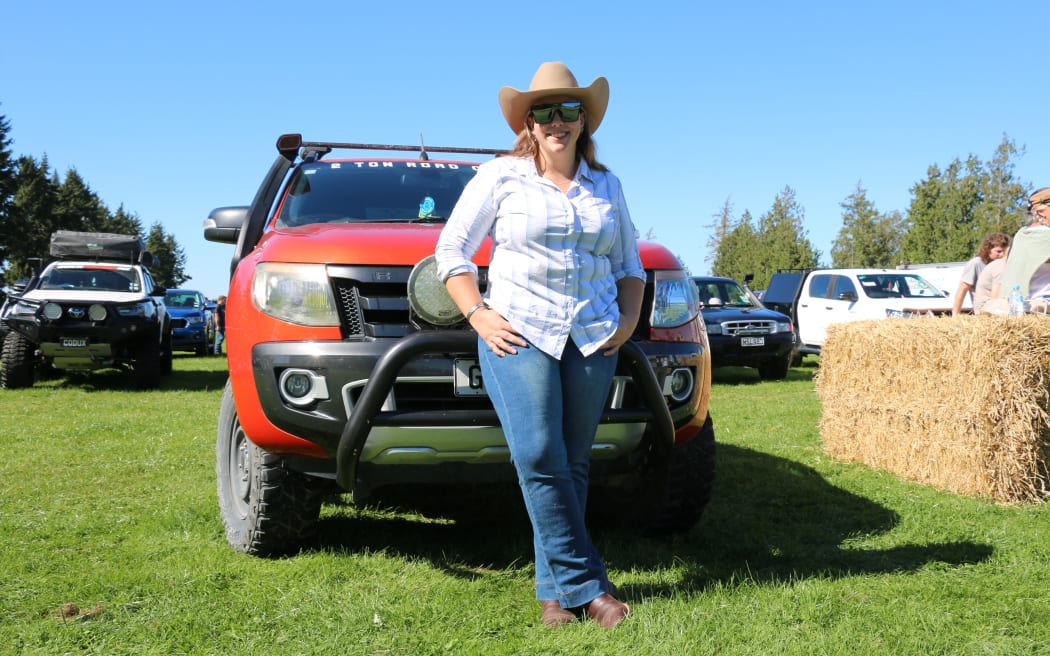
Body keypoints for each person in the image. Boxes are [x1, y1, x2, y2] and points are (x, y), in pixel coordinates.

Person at [434, 62, 642, 629]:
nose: (557, 121)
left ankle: (553, 595)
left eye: (568, 110)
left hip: (593, 335)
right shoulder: (500, 176)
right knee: (537, 455)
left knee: (571, 464)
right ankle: (589, 587)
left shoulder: (609, 186)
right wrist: (476, 312)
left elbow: (629, 263)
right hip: (519, 331)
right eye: (544, 111)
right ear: (528, 122)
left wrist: (625, 321)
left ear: (583, 121)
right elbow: (451, 250)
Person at [951, 232, 1009, 315]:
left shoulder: (1002, 265)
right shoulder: (976, 264)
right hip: (984, 311)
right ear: (988, 249)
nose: (1002, 254)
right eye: (998, 251)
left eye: (1004, 251)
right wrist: (955, 315)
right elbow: (963, 289)